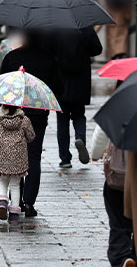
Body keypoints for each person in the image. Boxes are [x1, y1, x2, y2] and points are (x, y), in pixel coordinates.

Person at [0, 31, 63, 217]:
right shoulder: (48, 59)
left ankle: (16, 200)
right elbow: (59, 88)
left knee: (15, 152)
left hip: (13, 113)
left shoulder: (12, 57)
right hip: (37, 116)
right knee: (34, 157)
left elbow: (1, 88)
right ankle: (29, 203)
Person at [53, 27, 102, 168]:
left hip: (60, 80)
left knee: (62, 120)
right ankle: (80, 138)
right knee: (79, 115)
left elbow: (48, 49)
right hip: (80, 80)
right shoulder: (85, 27)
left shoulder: (56, 28)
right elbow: (97, 49)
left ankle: (65, 158)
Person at [91, 124, 137, 267]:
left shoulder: (117, 107)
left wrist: (95, 154)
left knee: (118, 222)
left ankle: (121, 257)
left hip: (117, 177)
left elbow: (101, 134)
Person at [0, 105, 35, 224]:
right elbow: (31, 137)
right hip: (18, 158)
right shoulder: (24, 120)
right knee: (15, 185)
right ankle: (14, 216)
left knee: (3, 181)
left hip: (2, 157)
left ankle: (2, 203)